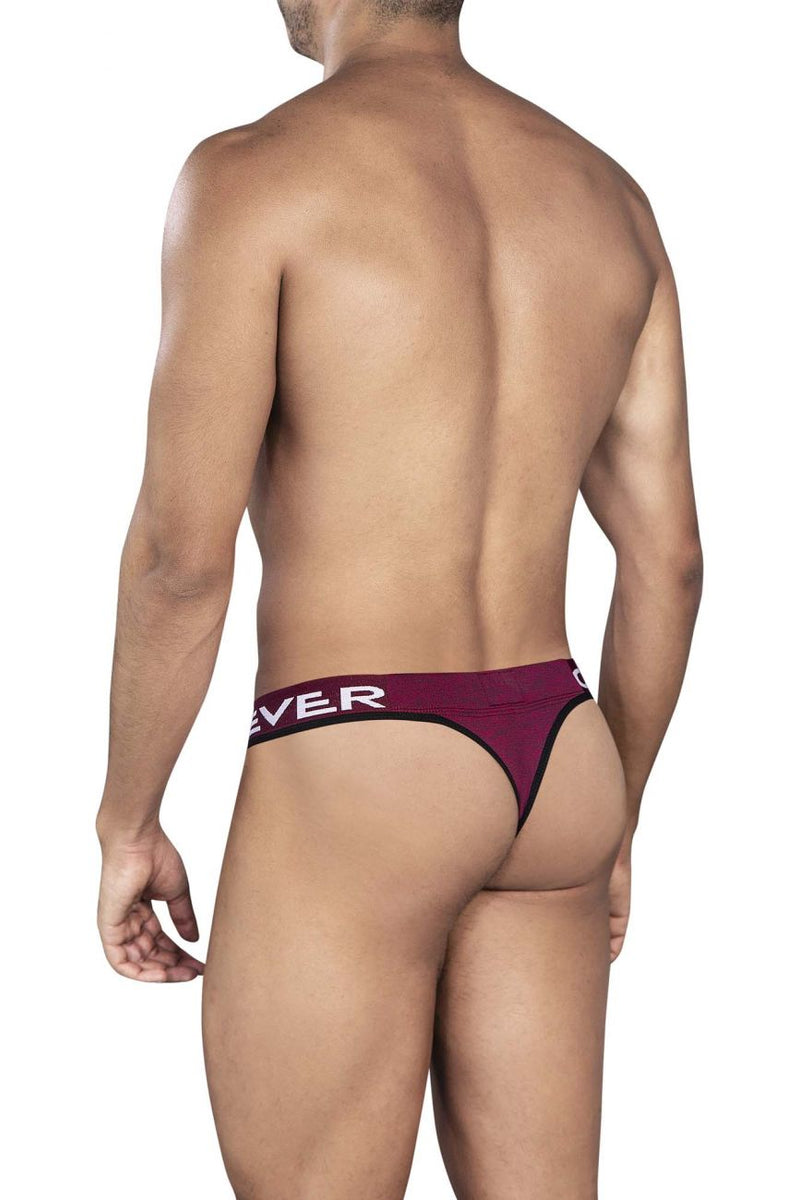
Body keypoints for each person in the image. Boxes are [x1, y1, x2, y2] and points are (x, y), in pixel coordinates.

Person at [95, 1, 703, 1196]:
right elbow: (669, 562)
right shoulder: (607, 196)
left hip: (360, 759)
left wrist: (128, 819)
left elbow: (180, 560)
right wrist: (616, 810)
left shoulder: (255, 176)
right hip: (558, 758)